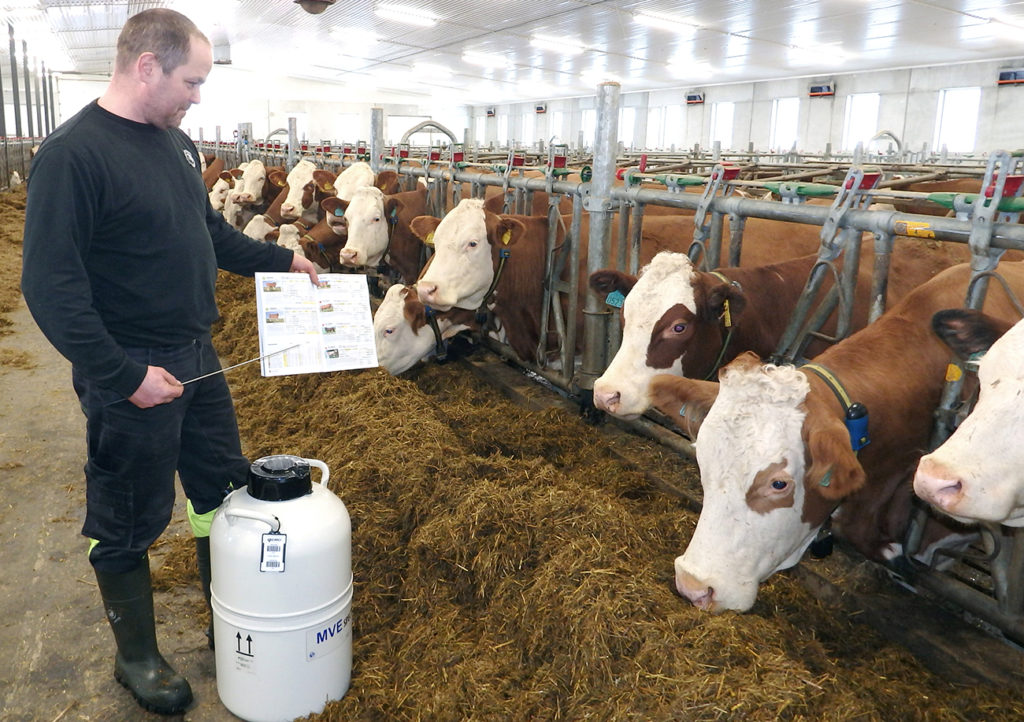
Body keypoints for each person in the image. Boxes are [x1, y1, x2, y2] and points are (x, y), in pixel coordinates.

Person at [20, 8, 320, 716]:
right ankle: (138, 657)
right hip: (131, 366)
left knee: (221, 491)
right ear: (147, 67)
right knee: (128, 513)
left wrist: (283, 261)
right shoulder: (74, 155)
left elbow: (211, 237)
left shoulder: (178, 147)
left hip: (197, 355)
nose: (197, 95)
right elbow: (50, 288)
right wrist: (124, 377)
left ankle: (231, 615)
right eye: (192, 80)